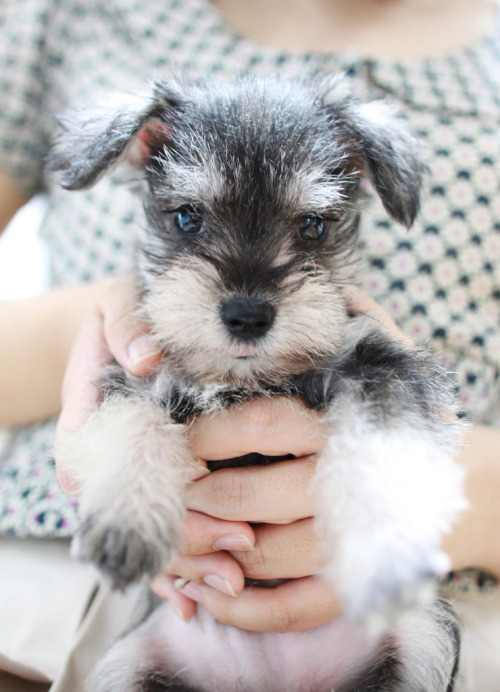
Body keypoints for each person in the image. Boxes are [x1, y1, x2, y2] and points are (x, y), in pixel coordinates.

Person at [0, 0, 499, 689]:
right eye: (189, 219)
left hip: (414, 604)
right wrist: (87, 337)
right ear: (142, 148)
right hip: (103, 603)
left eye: (314, 229)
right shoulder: (68, 15)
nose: (247, 300)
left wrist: (477, 497)